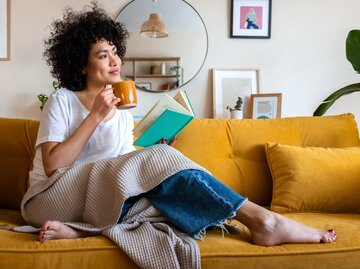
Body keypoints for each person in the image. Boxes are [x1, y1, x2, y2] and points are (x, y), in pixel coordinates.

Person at [26, 2, 336, 247]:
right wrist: (94, 116)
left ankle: (83, 231)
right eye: (103, 55)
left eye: (116, 52)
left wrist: (153, 152)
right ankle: (265, 221)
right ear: (82, 63)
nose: (115, 60)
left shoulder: (121, 112)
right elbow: (53, 166)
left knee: (164, 193)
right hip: (50, 198)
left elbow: (120, 167)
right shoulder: (63, 100)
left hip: (96, 199)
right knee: (161, 182)